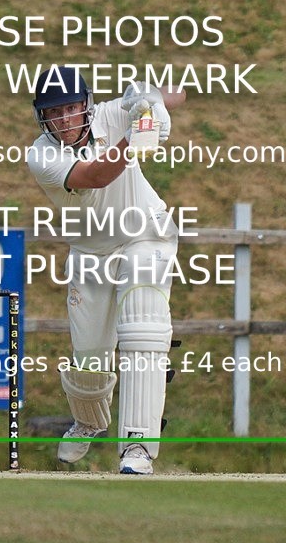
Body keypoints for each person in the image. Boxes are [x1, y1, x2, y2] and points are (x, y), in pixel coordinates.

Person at [27, 65, 184, 475]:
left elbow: (158, 108)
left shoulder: (112, 113)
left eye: (72, 108)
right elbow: (95, 176)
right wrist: (133, 138)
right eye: (54, 112)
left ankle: (138, 446)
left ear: (86, 106)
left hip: (144, 234)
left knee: (143, 328)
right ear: (42, 117)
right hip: (90, 251)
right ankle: (90, 420)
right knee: (89, 357)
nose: (64, 119)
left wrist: (147, 101)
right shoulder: (41, 155)